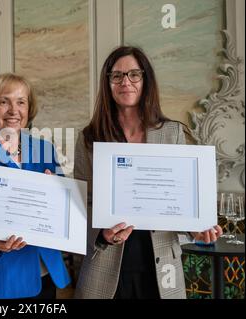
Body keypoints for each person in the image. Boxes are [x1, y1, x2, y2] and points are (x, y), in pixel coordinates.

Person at [73, 46, 222, 299]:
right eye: (116, 75)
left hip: (162, 266)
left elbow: (183, 196)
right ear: (107, 83)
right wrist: (102, 234)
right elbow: (81, 202)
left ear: (145, 80)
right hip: (105, 266)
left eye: (134, 74)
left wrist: (195, 228)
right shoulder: (90, 137)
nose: (125, 82)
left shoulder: (172, 132)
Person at [0, 73, 71, 299]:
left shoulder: (44, 150)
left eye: (21, 102)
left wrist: (57, 194)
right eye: (4, 101)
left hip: (42, 272)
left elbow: (63, 211)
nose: (13, 110)